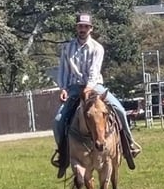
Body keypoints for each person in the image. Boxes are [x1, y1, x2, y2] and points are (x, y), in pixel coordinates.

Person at [52, 12, 141, 178]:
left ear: (91, 29)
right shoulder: (67, 48)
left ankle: (129, 144)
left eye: (86, 26)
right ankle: (62, 154)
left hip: (95, 87)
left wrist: (89, 87)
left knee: (119, 109)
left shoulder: (97, 48)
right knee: (58, 121)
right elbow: (63, 70)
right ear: (76, 27)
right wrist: (63, 88)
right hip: (73, 88)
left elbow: (94, 71)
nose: (82, 29)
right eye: (80, 26)